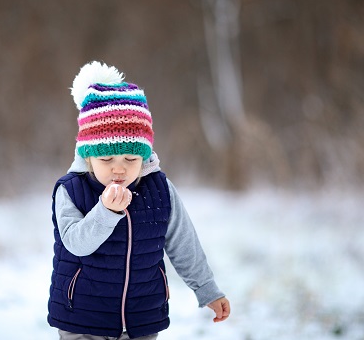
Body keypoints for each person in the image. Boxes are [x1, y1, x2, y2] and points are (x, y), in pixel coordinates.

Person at [48, 61, 230, 340]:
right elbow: (76, 243)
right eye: (107, 159)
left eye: (131, 158)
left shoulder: (159, 190)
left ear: (144, 156)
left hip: (141, 318)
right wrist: (105, 211)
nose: (118, 168)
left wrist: (206, 289)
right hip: (81, 318)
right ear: (88, 156)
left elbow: (183, 242)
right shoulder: (71, 190)